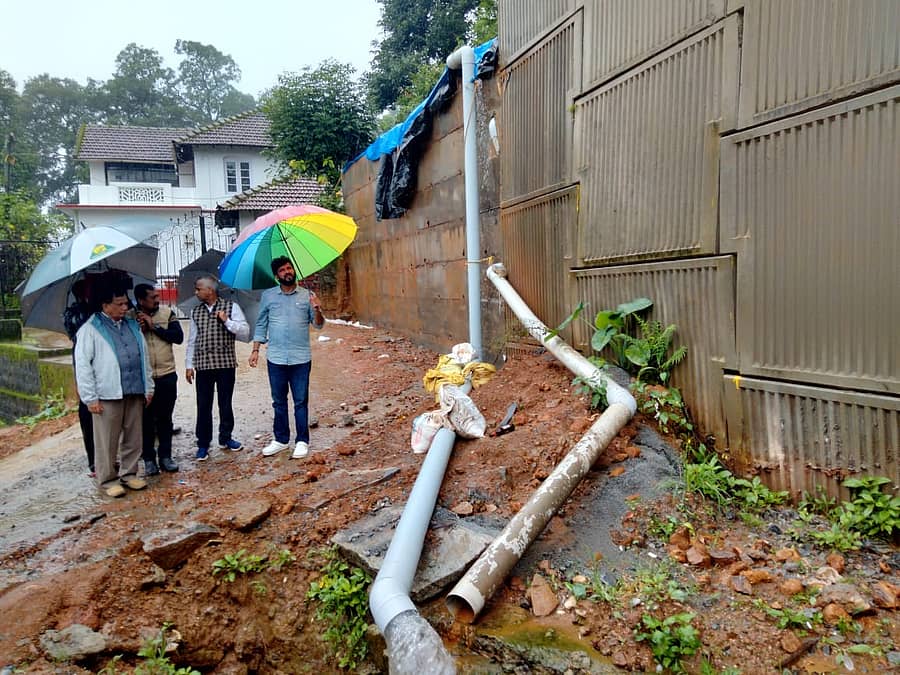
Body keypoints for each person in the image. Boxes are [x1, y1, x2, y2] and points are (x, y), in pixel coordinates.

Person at [74, 286, 154, 498]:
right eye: (119, 304)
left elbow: (144, 356)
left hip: (134, 389)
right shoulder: (90, 329)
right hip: (107, 393)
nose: (125, 307)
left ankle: (129, 473)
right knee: (107, 439)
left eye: (126, 303)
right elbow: (83, 366)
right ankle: (108, 479)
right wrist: (90, 397)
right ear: (105, 306)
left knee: (133, 436)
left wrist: (149, 386)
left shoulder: (132, 325)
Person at [250, 256, 324, 459]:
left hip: (301, 359)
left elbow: (318, 325)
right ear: (277, 276)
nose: (287, 272)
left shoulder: (308, 296)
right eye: (282, 270)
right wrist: (255, 349)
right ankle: (281, 440)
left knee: (300, 401)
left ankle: (302, 441)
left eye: (289, 268)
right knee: (278, 401)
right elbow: (261, 323)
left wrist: (317, 309)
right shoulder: (268, 296)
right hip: (276, 359)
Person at [185, 275, 249, 461]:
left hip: (225, 364)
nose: (196, 292)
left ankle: (226, 437)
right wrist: (189, 365)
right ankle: (203, 444)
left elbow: (245, 331)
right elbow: (192, 340)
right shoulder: (196, 312)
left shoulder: (231, 307)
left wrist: (227, 321)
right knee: (203, 405)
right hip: (203, 365)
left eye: (198, 289)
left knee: (225, 403)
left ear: (210, 290)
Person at [132, 283, 184, 475]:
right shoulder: (130, 318)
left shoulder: (167, 313)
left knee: (165, 419)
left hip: (166, 375)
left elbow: (178, 337)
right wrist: (138, 330)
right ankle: (148, 459)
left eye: (157, 296)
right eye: (152, 297)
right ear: (140, 300)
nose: (157, 299)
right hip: (143, 379)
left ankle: (165, 457)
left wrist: (154, 327)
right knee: (145, 421)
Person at [63, 279, 96, 476]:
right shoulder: (74, 313)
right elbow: (75, 333)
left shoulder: (97, 308)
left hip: (100, 362)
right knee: (86, 409)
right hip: (83, 359)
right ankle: (93, 460)